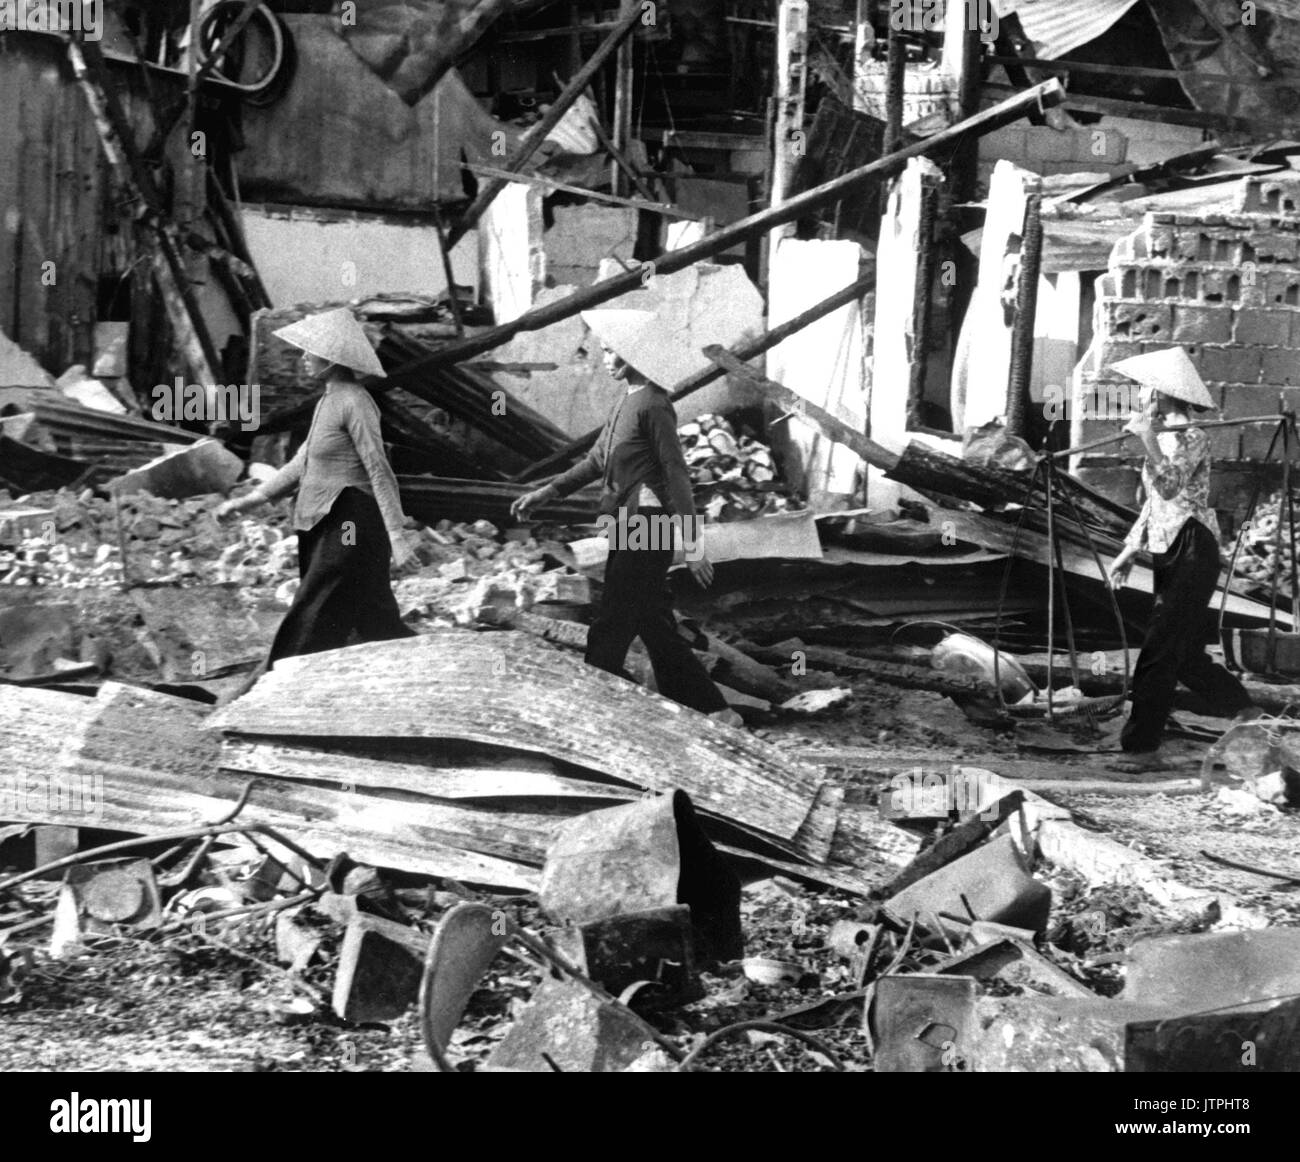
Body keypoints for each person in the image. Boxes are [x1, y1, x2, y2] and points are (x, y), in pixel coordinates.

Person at [510, 305, 742, 727]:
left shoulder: (654, 405)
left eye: (612, 352)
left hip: (648, 526)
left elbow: (676, 475)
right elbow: (596, 459)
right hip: (627, 524)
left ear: (634, 355)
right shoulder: (626, 403)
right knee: (653, 623)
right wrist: (547, 491)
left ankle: (593, 704)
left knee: (614, 619)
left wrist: (692, 545)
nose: (605, 359)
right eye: (603, 350)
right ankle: (714, 710)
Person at [216, 307, 416, 665]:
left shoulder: (355, 402)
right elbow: (301, 464)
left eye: (311, 352)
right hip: (325, 522)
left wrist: (397, 535)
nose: (304, 358)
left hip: (351, 522)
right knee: (374, 620)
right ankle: (418, 669)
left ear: (332, 360)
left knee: (315, 606)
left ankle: (277, 681)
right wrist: (249, 501)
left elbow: (377, 467)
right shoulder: (329, 401)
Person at [1105, 347, 1255, 770]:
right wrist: (1129, 549)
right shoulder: (1163, 438)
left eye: (1141, 391)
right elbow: (1154, 504)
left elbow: (1171, 487)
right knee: (1183, 650)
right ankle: (1245, 711)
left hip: (1193, 546)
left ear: (1159, 395)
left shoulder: (1192, 437)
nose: (1136, 398)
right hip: (1168, 546)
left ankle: (1143, 748)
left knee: (1159, 646)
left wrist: (1148, 439)